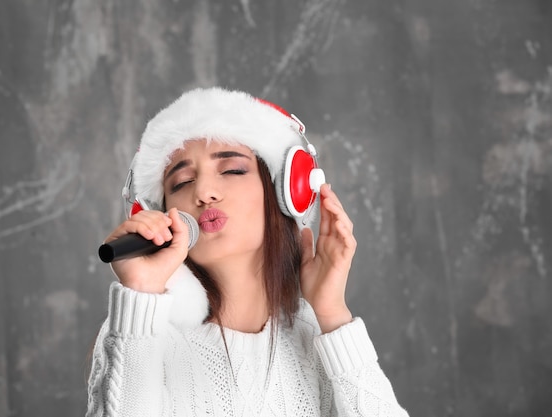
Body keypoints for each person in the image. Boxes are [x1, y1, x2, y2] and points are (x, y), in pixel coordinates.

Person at [86, 87, 409, 416]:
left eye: (232, 170)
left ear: (285, 191)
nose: (205, 192)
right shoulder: (139, 333)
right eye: (182, 181)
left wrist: (333, 314)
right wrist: (142, 292)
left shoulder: (318, 335)